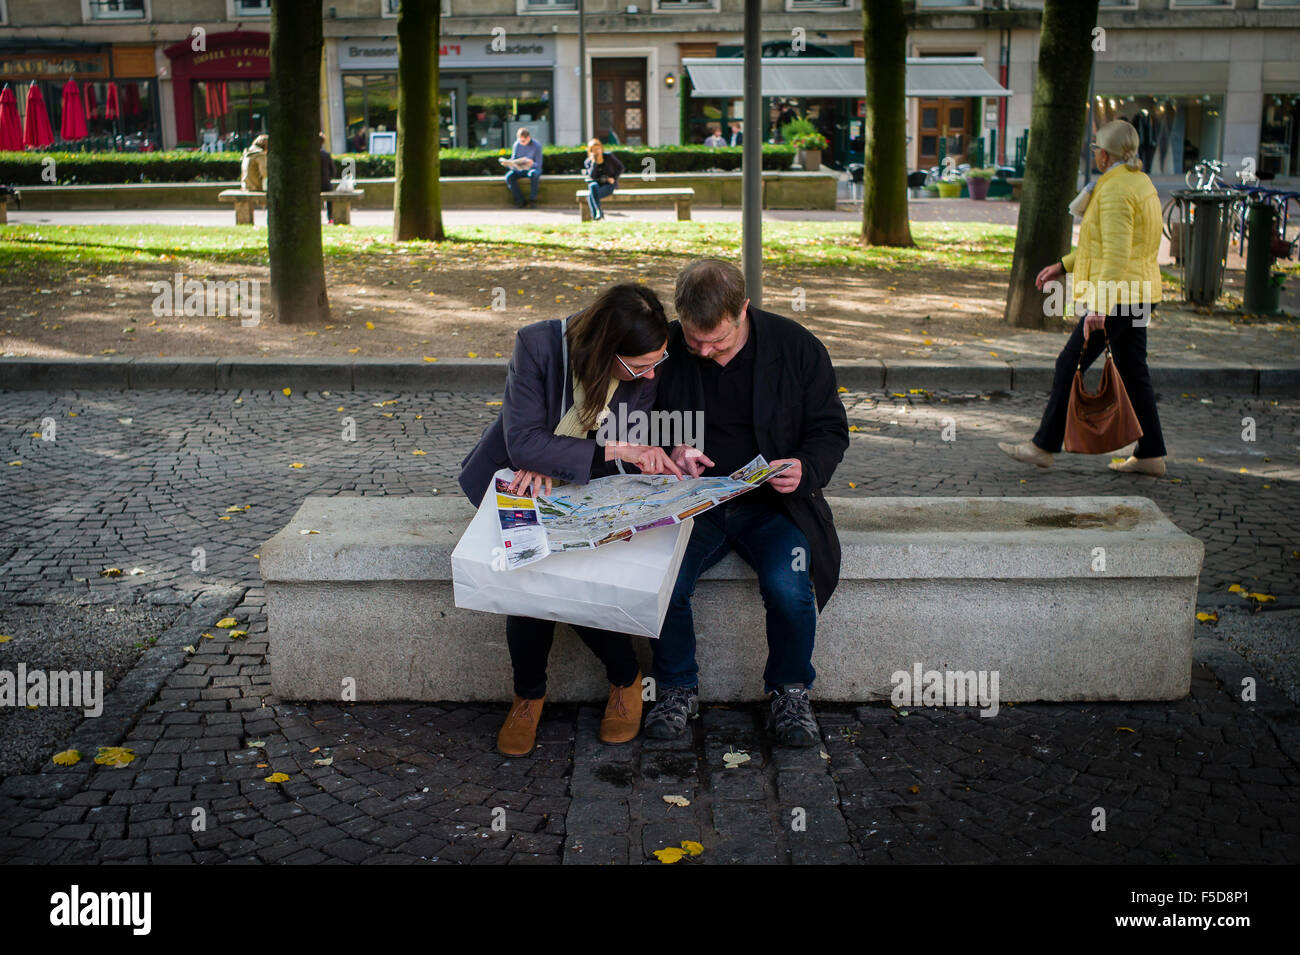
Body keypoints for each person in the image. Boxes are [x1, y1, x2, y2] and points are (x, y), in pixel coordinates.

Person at [458, 283, 683, 757]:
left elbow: (596, 442)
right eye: (642, 365)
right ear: (606, 350)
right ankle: (529, 695)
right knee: (527, 574)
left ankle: (625, 680)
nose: (652, 373)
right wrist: (599, 449)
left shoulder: (643, 368)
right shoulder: (537, 345)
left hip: (585, 486)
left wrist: (557, 453)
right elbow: (522, 444)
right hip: (515, 484)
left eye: (658, 360)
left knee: (578, 576)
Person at [643, 259, 849, 747]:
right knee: (661, 578)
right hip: (693, 500)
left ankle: (791, 690)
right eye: (695, 342)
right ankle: (676, 688)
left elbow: (829, 430)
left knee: (789, 585)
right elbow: (633, 423)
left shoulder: (797, 348)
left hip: (775, 506)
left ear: (743, 310)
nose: (707, 352)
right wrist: (670, 449)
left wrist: (806, 468)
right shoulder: (667, 349)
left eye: (718, 341)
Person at [999, 119, 1168, 476]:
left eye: (1095, 149)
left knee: (1068, 362)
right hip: (1139, 293)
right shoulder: (1140, 183)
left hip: (1118, 298)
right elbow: (1104, 247)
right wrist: (1063, 266)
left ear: (1104, 154)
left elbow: (1117, 254)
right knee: (1133, 370)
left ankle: (1043, 446)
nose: (1095, 154)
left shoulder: (1114, 190)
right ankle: (1151, 453)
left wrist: (1099, 308)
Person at [583, 138, 625, 221]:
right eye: (594, 150)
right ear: (590, 151)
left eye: (598, 148)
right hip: (597, 185)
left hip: (609, 185)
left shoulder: (609, 157)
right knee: (593, 186)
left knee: (591, 196)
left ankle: (596, 215)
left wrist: (614, 178)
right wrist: (594, 163)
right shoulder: (588, 162)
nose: (597, 151)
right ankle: (599, 212)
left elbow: (621, 168)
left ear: (601, 148)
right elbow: (592, 176)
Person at [504, 127, 543, 208]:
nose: (521, 143)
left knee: (534, 174)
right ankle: (520, 200)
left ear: (528, 138)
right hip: (520, 170)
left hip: (532, 169)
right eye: (519, 140)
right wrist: (508, 163)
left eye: (523, 141)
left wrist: (531, 163)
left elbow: (538, 164)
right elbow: (514, 160)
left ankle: (533, 200)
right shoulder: (516, 145)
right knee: (509, 176)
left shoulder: (537, 145)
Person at [318, 132, 336, 224]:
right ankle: (330, 217)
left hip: (315, 184)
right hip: (325, 182)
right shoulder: (326, 155)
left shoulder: (311, 156)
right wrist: (329, 177)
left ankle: (317, 217)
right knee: (330, 200)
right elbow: (333, 170)